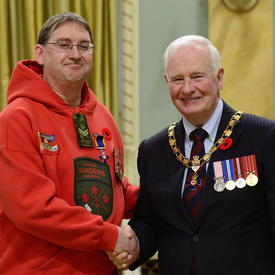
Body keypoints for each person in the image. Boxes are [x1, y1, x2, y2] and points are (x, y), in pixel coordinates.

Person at [109, 35, 275, 274]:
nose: (187, 89)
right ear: (167, 81)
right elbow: (151, 222)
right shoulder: (154, 150)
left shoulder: (262, 137)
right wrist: (134, 243)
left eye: (197, 76)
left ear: (219, 78)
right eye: (177, 79)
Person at [0, 12, 139, 274]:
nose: (75, 53)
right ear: (40, 54)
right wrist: (109, 237)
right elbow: (31, 209)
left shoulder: (103, 116)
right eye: (64, 45)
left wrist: (171, 198)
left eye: (84, 46)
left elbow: (116, 189)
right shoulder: (17, 118)